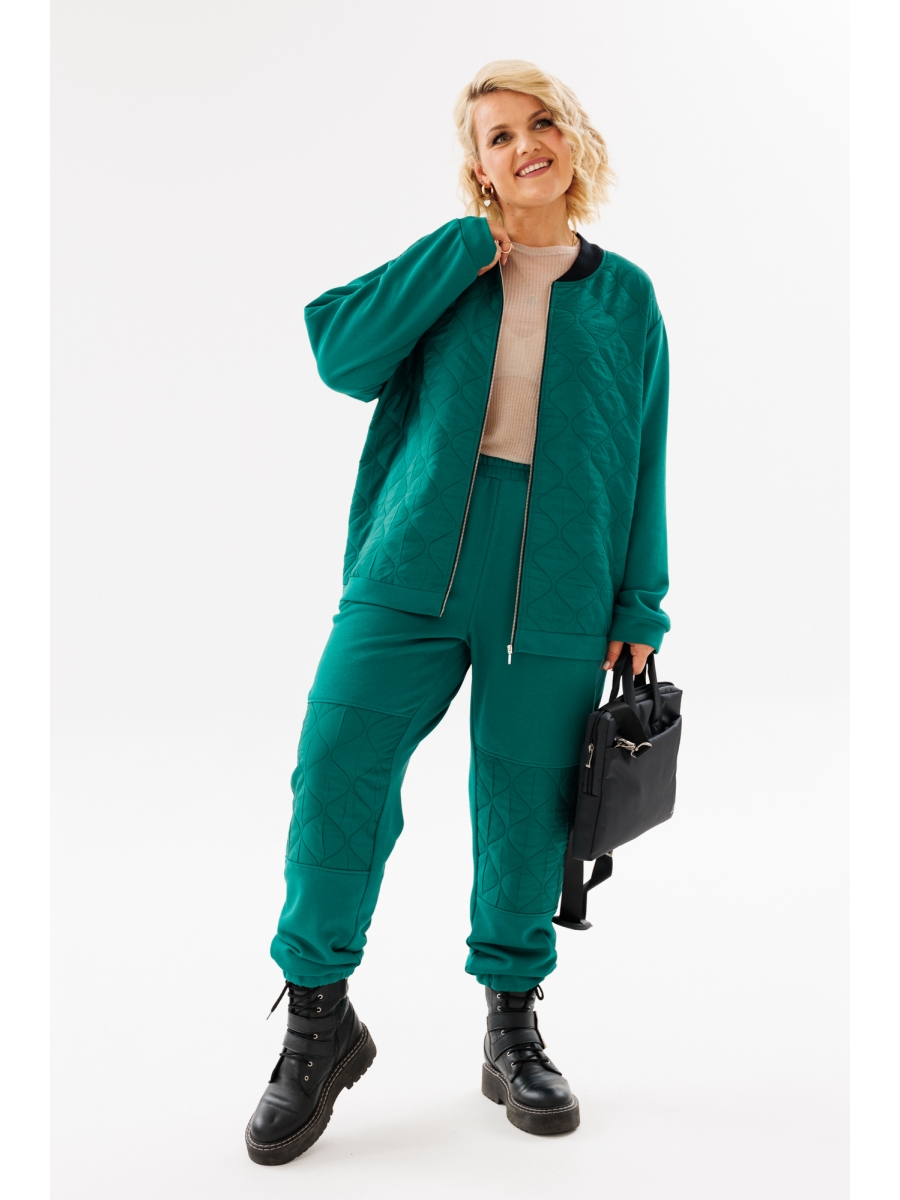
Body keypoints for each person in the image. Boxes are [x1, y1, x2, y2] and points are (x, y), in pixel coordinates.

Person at [245, 59, 671, 1164]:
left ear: (573, 138)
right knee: (337, 762)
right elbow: (340, 354)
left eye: (541, 122)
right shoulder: (451, 265)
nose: (526, 144)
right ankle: (317, 1020)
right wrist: (460, 248)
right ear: (477, 167)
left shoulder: (626, 297)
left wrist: (642, 600)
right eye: (498, 135)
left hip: (562, 581)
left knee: (528, 803)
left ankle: (510, 1025)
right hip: (413, 562)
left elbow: (645, 453)